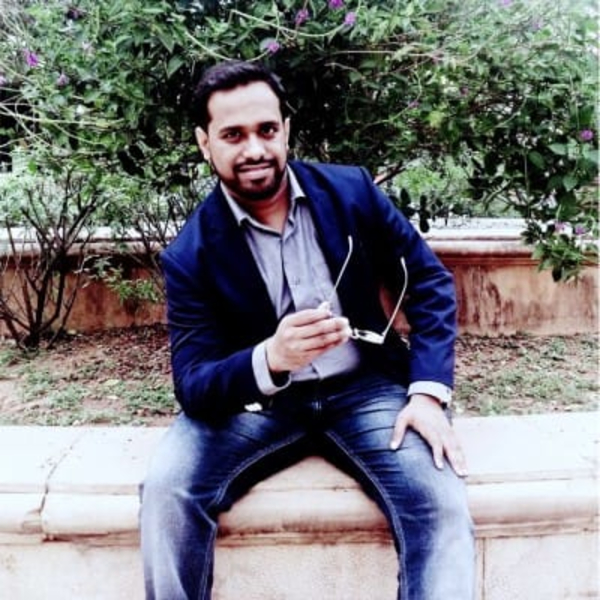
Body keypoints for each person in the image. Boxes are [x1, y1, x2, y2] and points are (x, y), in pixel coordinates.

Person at [140, 60, 475, 600]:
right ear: (205, 144)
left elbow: (429, 281)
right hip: (257, 407)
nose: (255, 149)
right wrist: (271, 358)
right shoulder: (190, 254)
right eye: (233, 135)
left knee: (440, 501)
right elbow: (194, 383)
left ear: (286, 130)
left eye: (266, 130)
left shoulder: (351, 191)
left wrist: (428, 394)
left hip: (365, 390)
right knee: (166, 491)